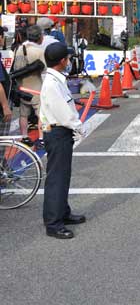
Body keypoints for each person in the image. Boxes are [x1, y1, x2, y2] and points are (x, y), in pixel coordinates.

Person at [40, 43, 86, 239]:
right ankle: (53, 223)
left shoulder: (56, 79)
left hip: (60, 131)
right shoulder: (52, 83)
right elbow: (63, 113)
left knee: (63, 176)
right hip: (58, 131)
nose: (69, 61)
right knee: (57, 178)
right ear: (62, 61)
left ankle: (63, 212)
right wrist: (79, 127)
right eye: (67, 58)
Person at [12, 24, 46, 137]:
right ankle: (42, 137)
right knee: (42, 115)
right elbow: (44, 70)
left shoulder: (19, 49)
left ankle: (24, 137)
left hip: (22, 87)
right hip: (36, 88)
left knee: (23, 114)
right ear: (39, 37)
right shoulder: (39, 51)